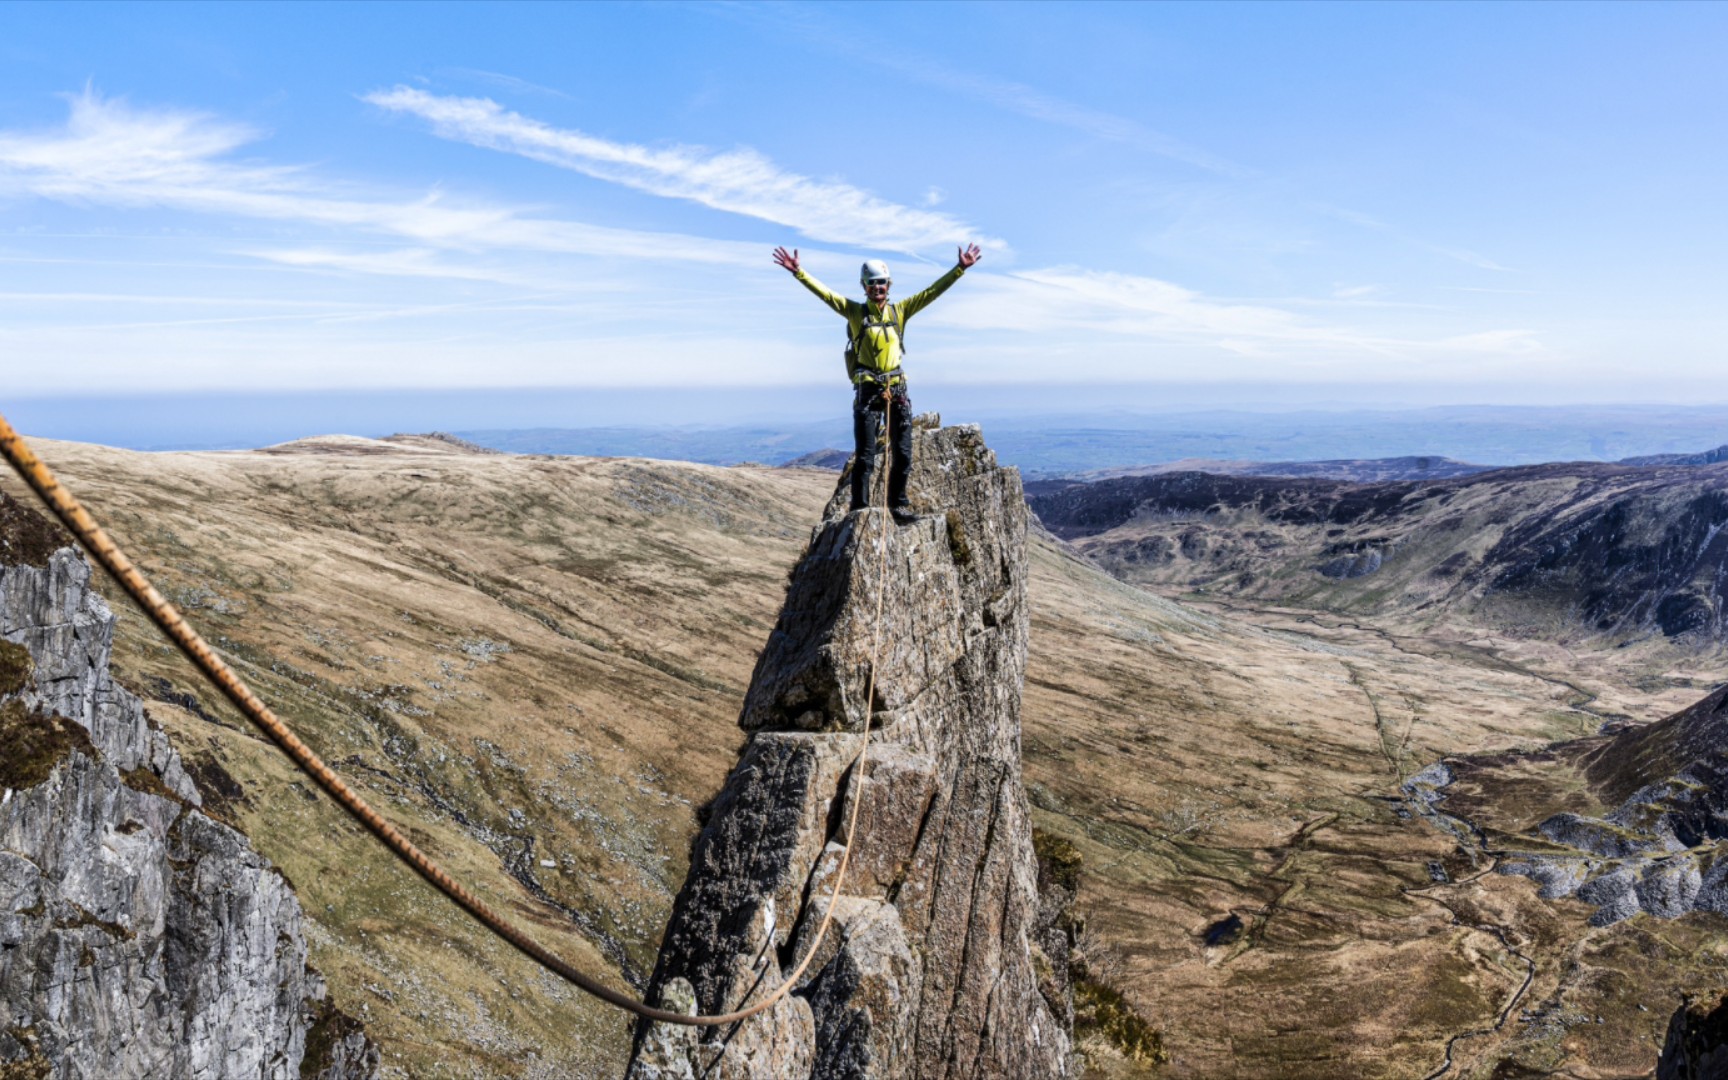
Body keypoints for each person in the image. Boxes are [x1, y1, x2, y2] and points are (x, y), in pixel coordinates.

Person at [772, 243, 982, 524]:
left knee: (904, 454)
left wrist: (959, 270)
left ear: (889, 284)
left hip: (896, 390)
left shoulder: (901, 312)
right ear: (864, 287)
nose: (877, 288)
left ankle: (899, 505)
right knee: (866, 456)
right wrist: (799, 273)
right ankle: (860, 510)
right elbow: (826, 295)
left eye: (881, 283)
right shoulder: (856, 313)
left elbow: (932, 293)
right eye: (872, 284)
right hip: (869, 390)